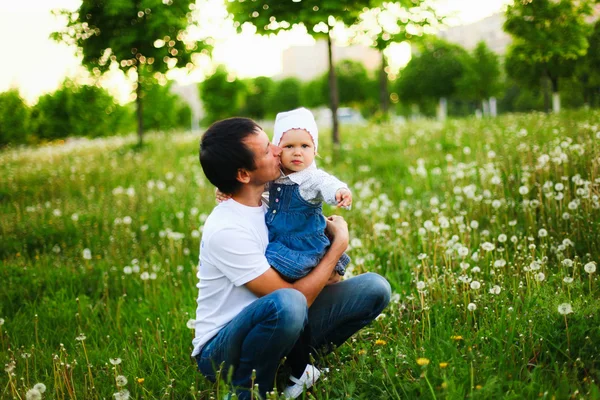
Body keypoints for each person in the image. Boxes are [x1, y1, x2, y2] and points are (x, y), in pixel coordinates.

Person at [193, 117, 391, 399]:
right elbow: (295, 297)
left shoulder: (269, 200)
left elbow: (303, 228)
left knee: (374, 288)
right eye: (265, 151)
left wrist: (326, 232)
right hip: (223, 349)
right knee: (289, 303)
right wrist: (338, 247)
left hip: (282, 320)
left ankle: (293, 365)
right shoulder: (226, 229)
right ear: (243, 175)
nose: (277, 150)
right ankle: (247, 389)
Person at [265, 107, 352, 282]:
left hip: (304, 246)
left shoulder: (311, 177)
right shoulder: (273, 177)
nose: (297, 152)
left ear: (315, 151)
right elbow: (253, 185)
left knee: (288, 269)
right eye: (289, 146)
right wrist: (228, 190)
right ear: (277, 150)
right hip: (280, 242)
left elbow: (327, 184)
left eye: (305, 146)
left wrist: (339, 192)